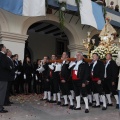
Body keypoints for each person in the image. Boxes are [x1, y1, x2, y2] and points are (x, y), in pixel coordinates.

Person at [0, 44, 13, 113]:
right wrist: (10, 67)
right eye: (5, 47)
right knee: (2, 92)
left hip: (1, 76)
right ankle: (0, 107)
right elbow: (4, 65)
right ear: (2, 48)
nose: (6, 48)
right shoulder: (2, 56)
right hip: (3, 77)